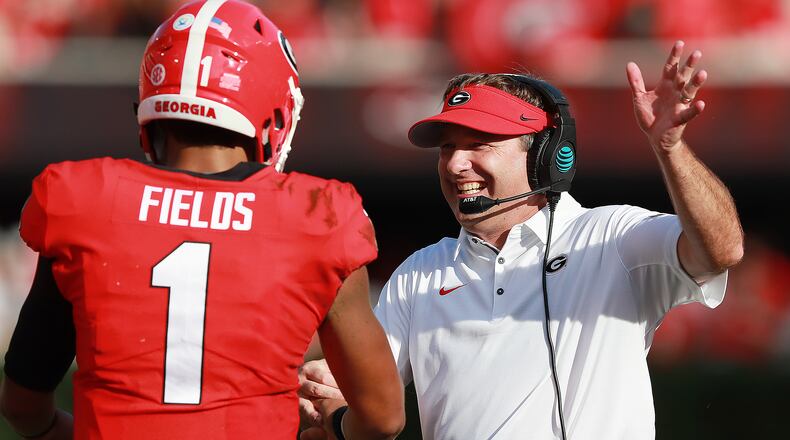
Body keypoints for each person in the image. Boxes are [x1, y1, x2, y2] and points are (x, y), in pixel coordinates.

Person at [299, 41, 743, 439]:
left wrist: (670, 149)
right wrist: (329, 396)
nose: (456, 164)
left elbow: (723, 250)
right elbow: (368, 399)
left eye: (479, 144)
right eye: (448, 148)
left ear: (545, 155)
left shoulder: (611, 237)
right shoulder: (418, 274)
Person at [0, 1, 404, 439]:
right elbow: (383, 418)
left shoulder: (81, 200)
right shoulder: (320, 216)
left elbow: (23, 407)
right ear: (277, 108)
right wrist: (333, 426)